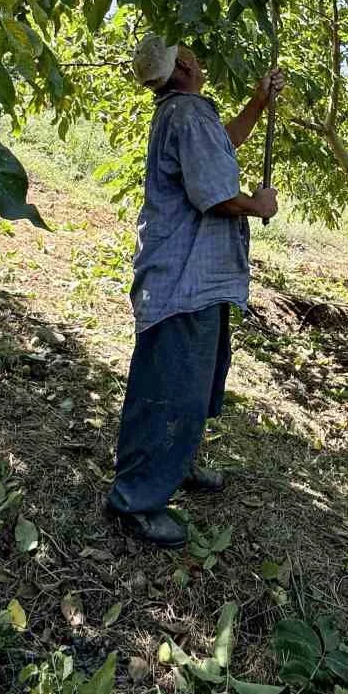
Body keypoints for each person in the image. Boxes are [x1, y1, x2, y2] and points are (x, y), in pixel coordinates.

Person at [104, 34, 283, 547]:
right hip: (184, 279)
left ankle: (175, 462)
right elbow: (216, 195)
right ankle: (134, 499)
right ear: (182, 66)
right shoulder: (187, 116)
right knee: (169, 387)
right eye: (192, 55)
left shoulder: (185, 115)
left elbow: (220, 145)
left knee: (195, 383)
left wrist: (257, 101)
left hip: (197, 279)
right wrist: (258, 205)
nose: (199, 59)